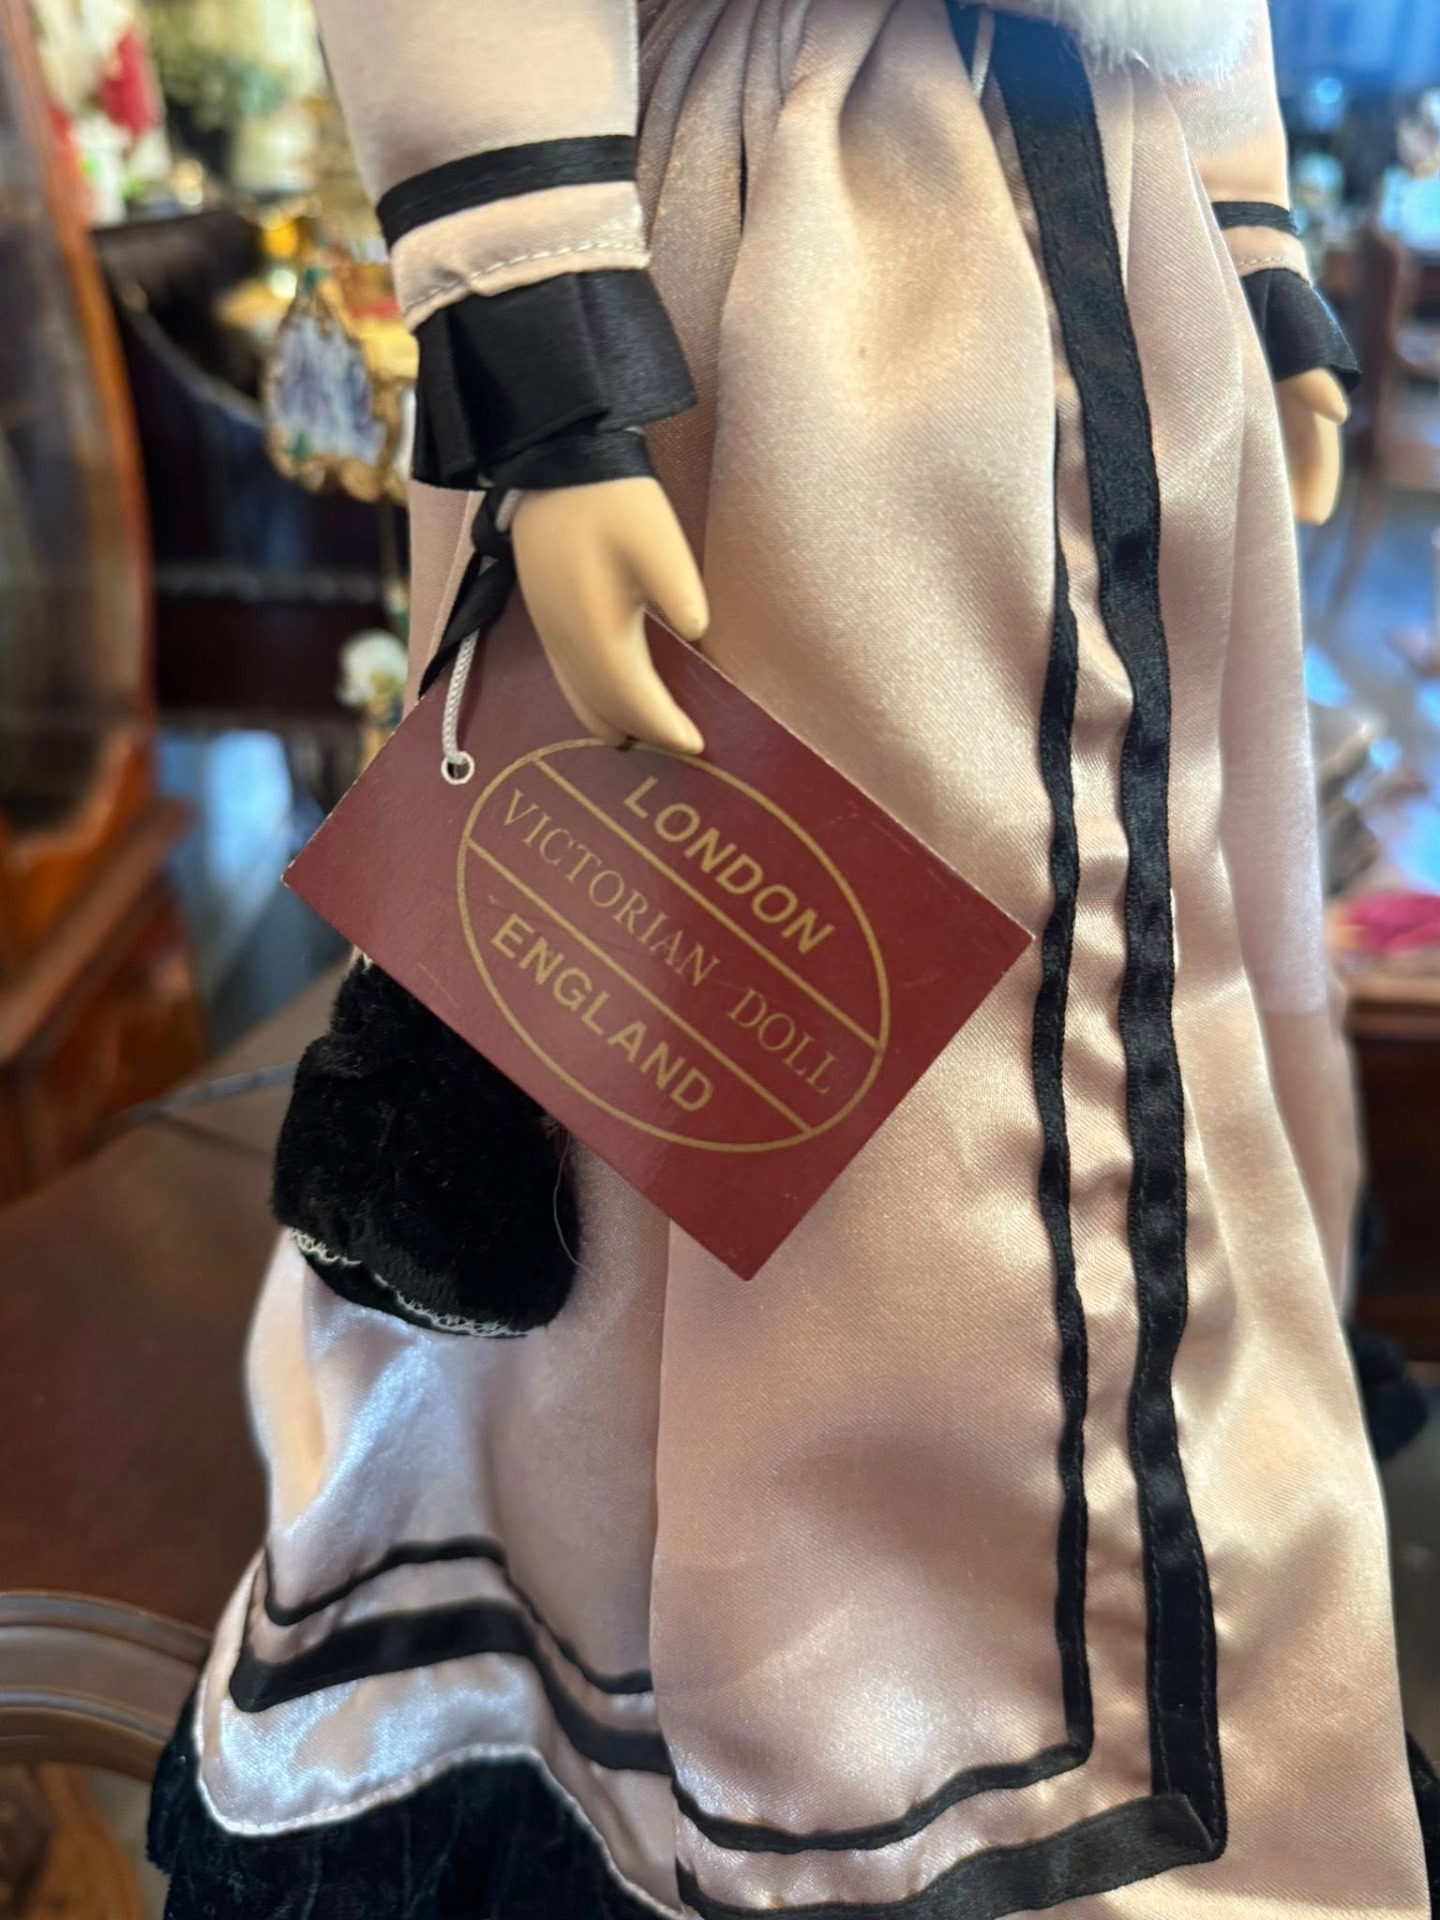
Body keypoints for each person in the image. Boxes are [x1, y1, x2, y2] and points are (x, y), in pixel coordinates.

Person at [150, 3, 1437, 1915]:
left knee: (1142, 976)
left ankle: (1046, 1578)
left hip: (1122, 249)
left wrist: (1251, 243)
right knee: (715, 996)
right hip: (765, 267)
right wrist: (547, 336)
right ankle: (686, 1617)